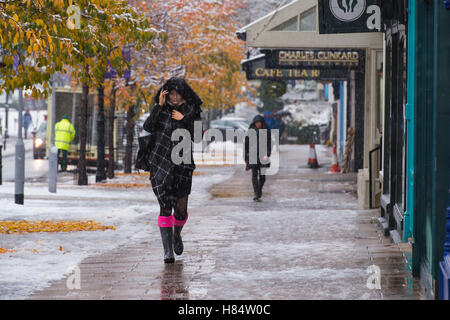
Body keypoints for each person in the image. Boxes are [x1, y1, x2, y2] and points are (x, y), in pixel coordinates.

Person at [143, 77, 202, 264]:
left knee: (181, 209)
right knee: (165, 206)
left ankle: (177, 234)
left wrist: (185, 119)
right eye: (171, 94)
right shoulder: (161, 109)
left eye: (178, 94)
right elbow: (148, 127)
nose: (175, 98)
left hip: (183, 164)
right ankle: (167, 251)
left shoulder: (191, 110)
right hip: (160, 163)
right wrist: (159, 107)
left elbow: (199, 136)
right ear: (165, 95)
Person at [244, 115, 271, 201]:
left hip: (263, 156)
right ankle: (256, 193)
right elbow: (246, 145)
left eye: (259, 122)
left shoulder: (266, 131)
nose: (258, 124)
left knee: (262, 177)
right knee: (254, 175)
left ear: (262, 123)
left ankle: (259, 191)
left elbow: (269, 143)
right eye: (257, 123)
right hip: (253, 156)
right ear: (254, 123)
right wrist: (246, 157)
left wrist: (267, 153)